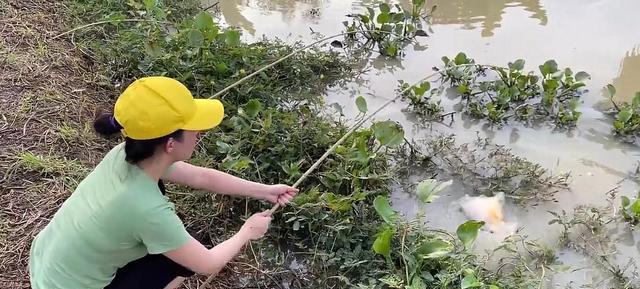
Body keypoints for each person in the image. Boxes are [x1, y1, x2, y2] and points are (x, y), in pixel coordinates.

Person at [28, 76, 298, 289]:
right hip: (64, 285)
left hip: (46, 266)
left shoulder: (123, 155)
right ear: (170, 144)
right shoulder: (147, 211)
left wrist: (265, 191)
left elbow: (202, 177)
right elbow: (207, 263)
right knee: (184, 258)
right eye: (193, 128)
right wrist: (247, 231)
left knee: (176, 245)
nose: (199, 132)